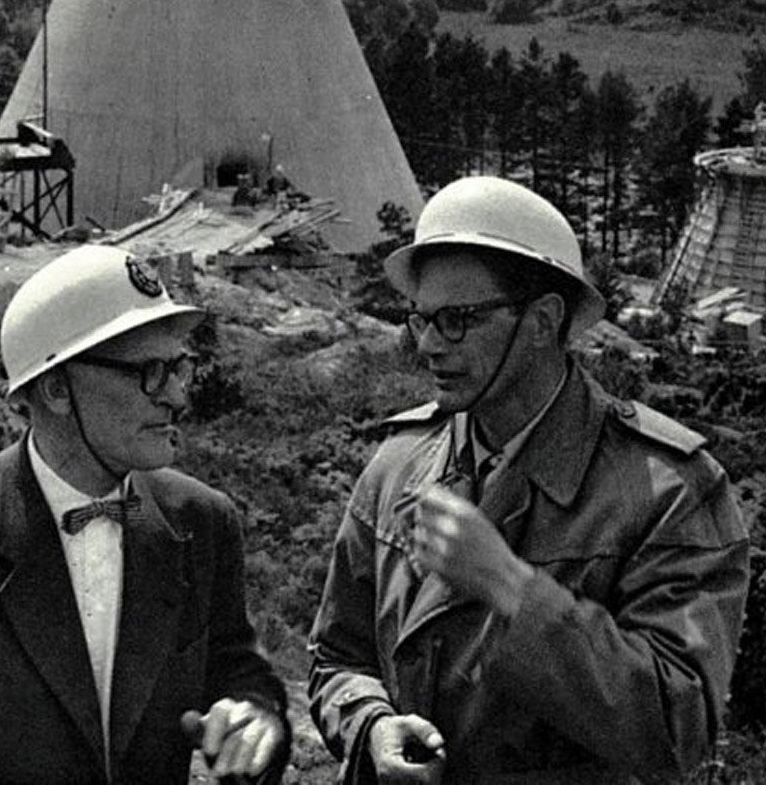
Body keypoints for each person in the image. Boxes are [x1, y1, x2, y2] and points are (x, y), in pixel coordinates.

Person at [308, 176, 749, 784]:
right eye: (422, 319)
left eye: (459, 320)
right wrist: (370, 725)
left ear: (543, 321)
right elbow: (337, 655)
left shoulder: (668, 491)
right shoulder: (399, 464)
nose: (430, 345)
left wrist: (512, 588)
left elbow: (680, 729)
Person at [0, 245, 289, 785]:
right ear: (57, 389)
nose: (178, 396)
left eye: (180, 367)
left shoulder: (200, 521)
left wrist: (256, 718)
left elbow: (241, 673)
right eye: (151, 372)